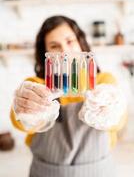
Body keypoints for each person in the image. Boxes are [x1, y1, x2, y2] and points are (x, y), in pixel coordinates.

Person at [10, 15, 127, 177]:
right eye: (54, 45)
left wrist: (112, 111)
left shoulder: (103, 82)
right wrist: (27, 113)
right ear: (46, 54)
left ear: (81, 43)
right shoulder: (36, 85)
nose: (64, 51)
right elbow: (19, 123)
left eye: (70, 41)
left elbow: (119, 122)